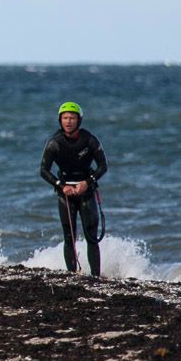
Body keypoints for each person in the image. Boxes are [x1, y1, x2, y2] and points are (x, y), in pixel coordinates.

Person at [39, 101, 108, 277]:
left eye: (72, 118)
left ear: (79, 120)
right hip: (66, 195)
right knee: (69, 238)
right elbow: (44, 171)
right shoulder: (54, 143)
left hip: (86, 192)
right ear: (60, 120)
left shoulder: (89, 140)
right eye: (65, 118)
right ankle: (72, 275)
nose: (68, 121)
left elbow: (103, 166)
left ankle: (95, 277)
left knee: (91, 237)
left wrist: (88, 182)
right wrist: (61, 186)